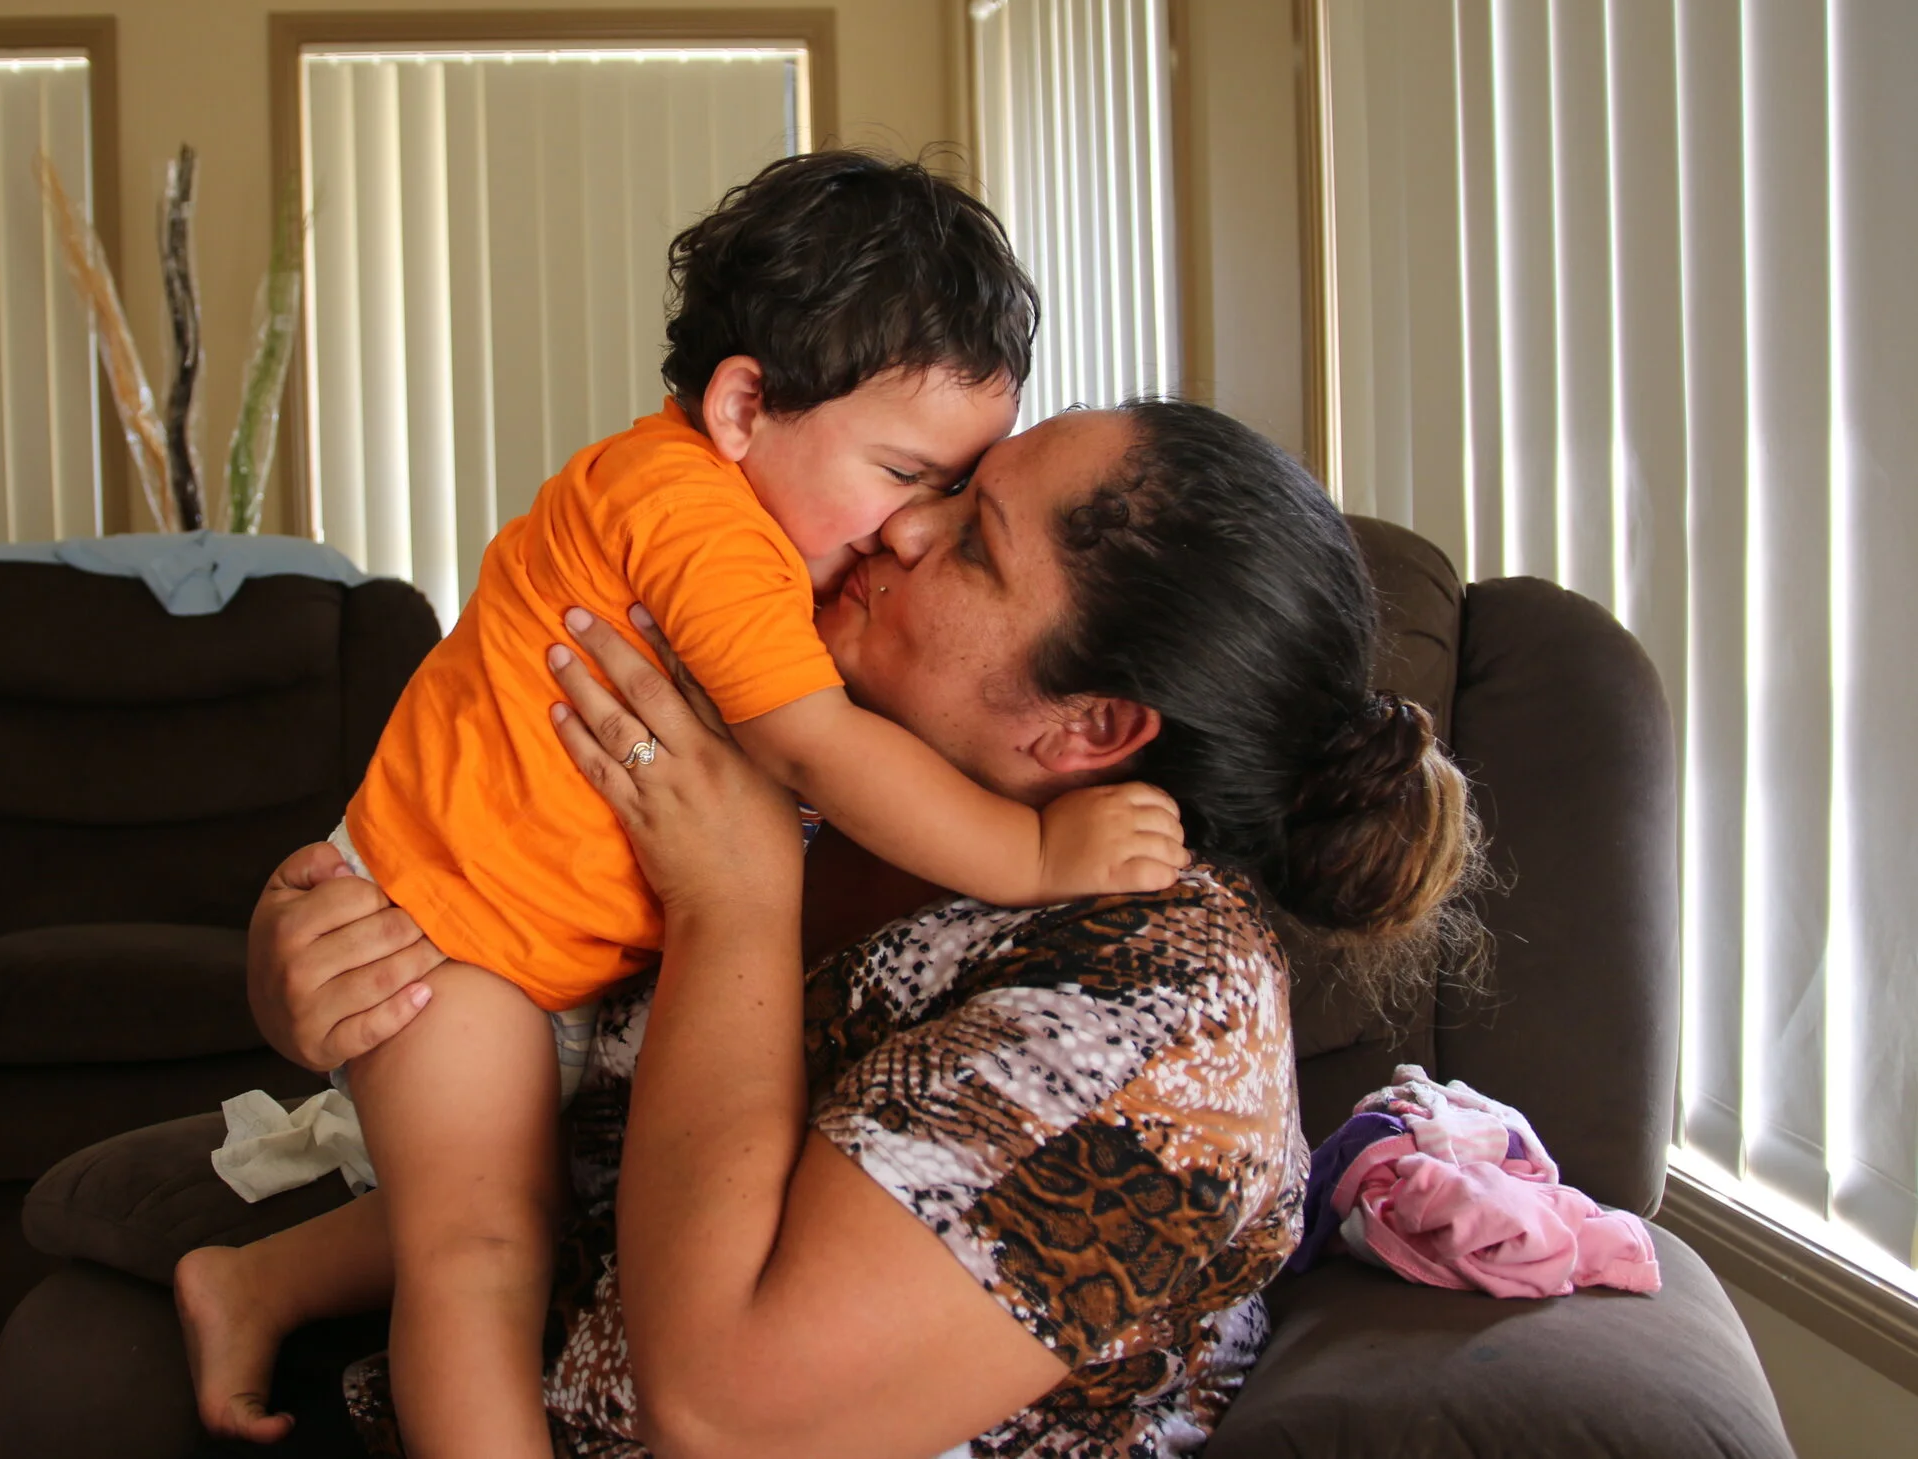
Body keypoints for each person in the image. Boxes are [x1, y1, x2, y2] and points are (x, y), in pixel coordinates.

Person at [178, 152, 1190, 1454]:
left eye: (959, 502)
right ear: (744, 402)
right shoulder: (698, 522)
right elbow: (817, 748)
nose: (906, 530)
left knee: (530, 1201)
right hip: (454, 941)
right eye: (905, 475)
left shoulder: (758, 526)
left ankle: (251, 1276)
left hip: (522, 952)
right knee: (482, 1245)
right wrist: (1041, 848)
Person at [236, 398, 1479, 1456]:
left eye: (975, 544)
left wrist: (733, 899)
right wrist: (321, 960)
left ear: (1090, 727)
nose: (900, 521)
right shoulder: (842, 767)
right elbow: (517, 992)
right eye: (946, 482)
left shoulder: (1157, 1031)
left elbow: (721, 1411)